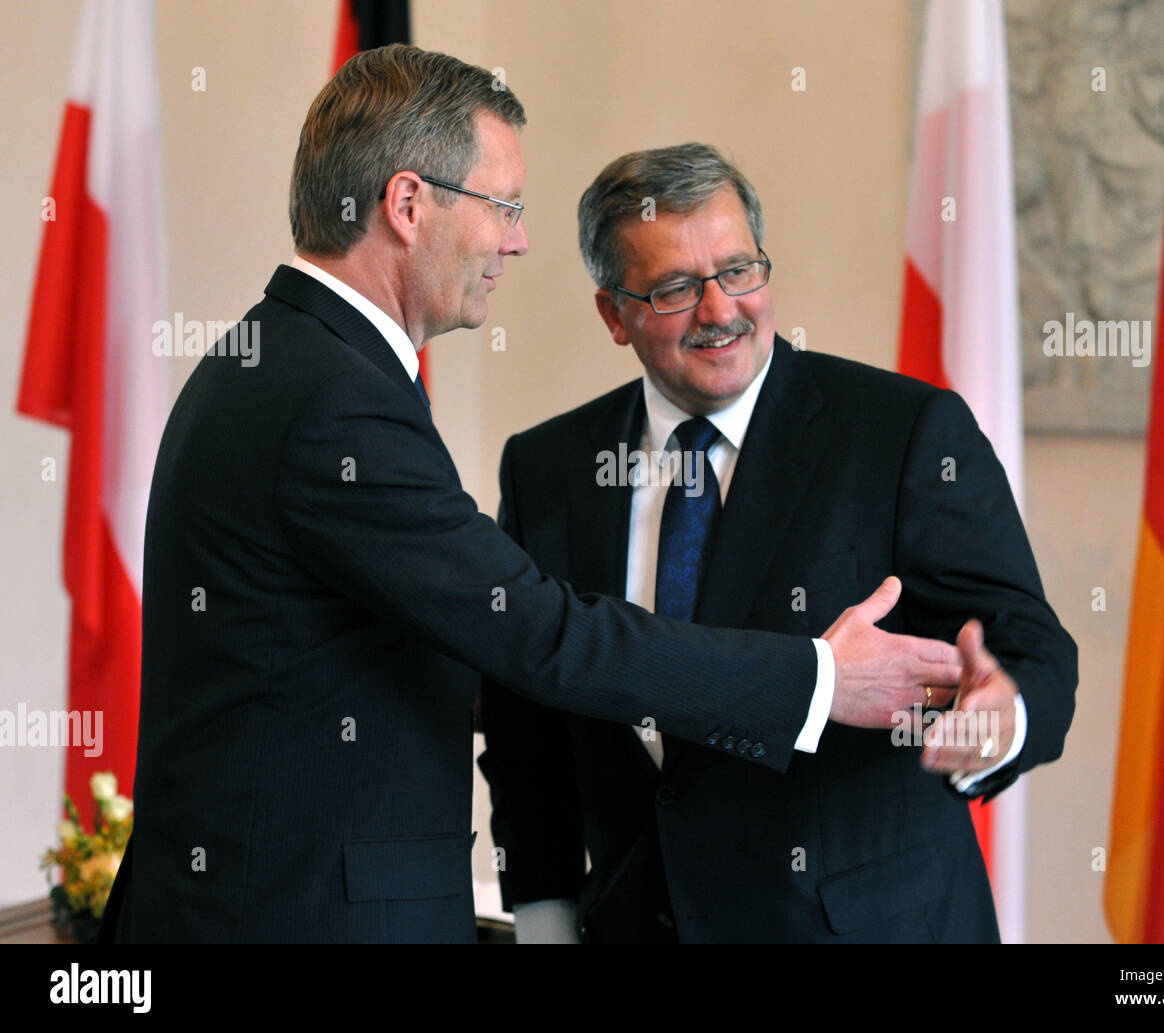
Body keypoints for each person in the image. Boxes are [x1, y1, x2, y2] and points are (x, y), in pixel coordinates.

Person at [97, 49, 977, 944]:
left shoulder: (277, 356)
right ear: (408, 205)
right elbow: (539, 632)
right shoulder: (334, 398)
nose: (517, 241)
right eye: (504, 207)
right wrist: (820, 679)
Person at [478, 143, 1078, 943]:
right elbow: (529, 725)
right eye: (675, 288)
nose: (720, 310)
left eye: (738, 270)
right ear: (613, 314)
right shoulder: (547, 466)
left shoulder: (901, 431)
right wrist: (546, 919)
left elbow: (1030, 644)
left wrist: (1003, 716)